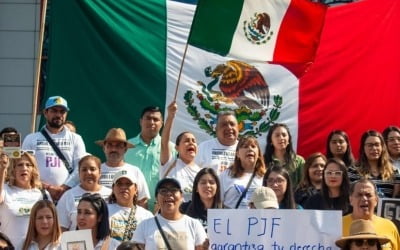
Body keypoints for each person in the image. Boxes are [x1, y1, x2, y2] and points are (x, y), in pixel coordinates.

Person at [22, 96, 87, 200]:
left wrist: (64, 188)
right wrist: (46, 187)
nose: (58, 115)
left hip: (68, 195)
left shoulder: (76, 139)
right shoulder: (31, 139)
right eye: (54, 111)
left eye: (62, 111)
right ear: (45, 113)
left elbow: (81, 166)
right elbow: (25, 168)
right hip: (38, 194)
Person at [125, 106, 175, 212]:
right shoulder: (126, 147)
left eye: (156, 119)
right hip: (131, 209)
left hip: (162, 210)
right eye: (148, 118)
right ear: (140, 121)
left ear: (162, 123)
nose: (152, 122)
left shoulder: (171, 148)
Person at [132, 178, 207, 249]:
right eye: (163, 191)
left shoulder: (194, 225)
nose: (169, 194)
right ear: (156, 198)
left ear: (181, 197)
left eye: (174, 190)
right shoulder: (144, 226)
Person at [0, 152, 50, 249]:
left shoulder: (43, 194)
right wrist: (2, 169)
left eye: (28, 165)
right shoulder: (5, 190)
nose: (24, 168)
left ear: (33, 169)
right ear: (13, 170)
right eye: (19, 165)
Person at [96, 128, 150, 208]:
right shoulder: (95, 171)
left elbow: (142, 201)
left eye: (118, 146)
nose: (113, 149)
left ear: (125, 149)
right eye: (110, 145)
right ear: (104, 148)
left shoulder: (135, 171)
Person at [56, 155, 111, 231]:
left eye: (92, 169)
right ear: (79, 173)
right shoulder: (68, 196)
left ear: (100, 172)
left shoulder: (111, 194)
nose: (88, 173)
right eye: (84, 170)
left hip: (106, 242)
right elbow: (61, 228)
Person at [160, 101, 201, 201]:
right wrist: (170, 116)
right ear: (176, 147)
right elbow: (164, 143)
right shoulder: (169, 163)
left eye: (194, 141)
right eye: (186, 141)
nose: (191, 143)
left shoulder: (200, 172)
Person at [342, 178, 400, 250]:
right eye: (359, 195)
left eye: (368, 195)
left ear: (376, 200)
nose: (364, 198)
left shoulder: (389, 227)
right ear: (351, 200)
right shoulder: (338, 226)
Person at [220, 136, 266, 209]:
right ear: (237, 154)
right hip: (231, 219)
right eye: (245, 146)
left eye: (253, 146)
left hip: (257, 219)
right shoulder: (226, 175)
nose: (250, 149)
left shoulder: (266, 176)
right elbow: (218, 202)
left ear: (259, 154)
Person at [107, 169, 153, 242]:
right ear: (113, 188)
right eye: (119, 183)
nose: (123, 187)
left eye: (128, 184)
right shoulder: (103, 211)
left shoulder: (147, 216)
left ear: (136, 189)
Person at [354, 130, 400, 198]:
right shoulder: (353, 171)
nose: (374, 148)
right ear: (363, 148)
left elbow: (395, 199)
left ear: (382, 147)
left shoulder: (394, 171)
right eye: (370, 145)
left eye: (377, 144)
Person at [195, 110, 239, 175]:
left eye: (232, 124)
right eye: (224, 125)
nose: (229, 128)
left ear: (238, 128)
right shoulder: (203, 147)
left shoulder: (245, 149)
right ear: (216, 129)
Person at [264, 123, 305, 187]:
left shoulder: (299, 161)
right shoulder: (263, 160)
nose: (281, 138)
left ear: (289, 140)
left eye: (284, 135)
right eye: (277, 135)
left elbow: (303, 183)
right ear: (271, 141)